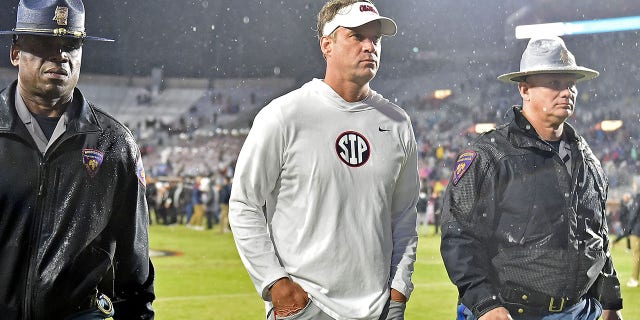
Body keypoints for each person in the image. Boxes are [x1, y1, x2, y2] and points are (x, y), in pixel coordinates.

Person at [229, 1, 419, 319]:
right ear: (327, 45)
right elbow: (244, 204)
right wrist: (276, 285)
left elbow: (403, 216)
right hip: (305, 306)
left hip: (379, 309)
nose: (370, 46)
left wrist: (399, 289)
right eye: (357, 36)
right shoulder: (284, 115)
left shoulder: (397, 122)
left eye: (376, 38)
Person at [440, 36, 623, 320]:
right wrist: (485, 303)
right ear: (524, 89)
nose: (567, 92)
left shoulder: (588, 159)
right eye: (554, 83)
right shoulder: (489, 155)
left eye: (570, 83)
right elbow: (459, 235)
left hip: (581, 312)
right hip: (510, 311)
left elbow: (596, 236)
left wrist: (611, 301)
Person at [0, 0, 155, 319]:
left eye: (71, 45)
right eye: (45, 43)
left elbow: (133, 267)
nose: (60, 56)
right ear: (16, 52)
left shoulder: (115, 144)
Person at [623, 194, 640, 288]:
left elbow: (634, 214)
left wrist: (628, 229)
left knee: (636, 256)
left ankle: (634, 279)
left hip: (637, 231)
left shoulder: (638, 197)